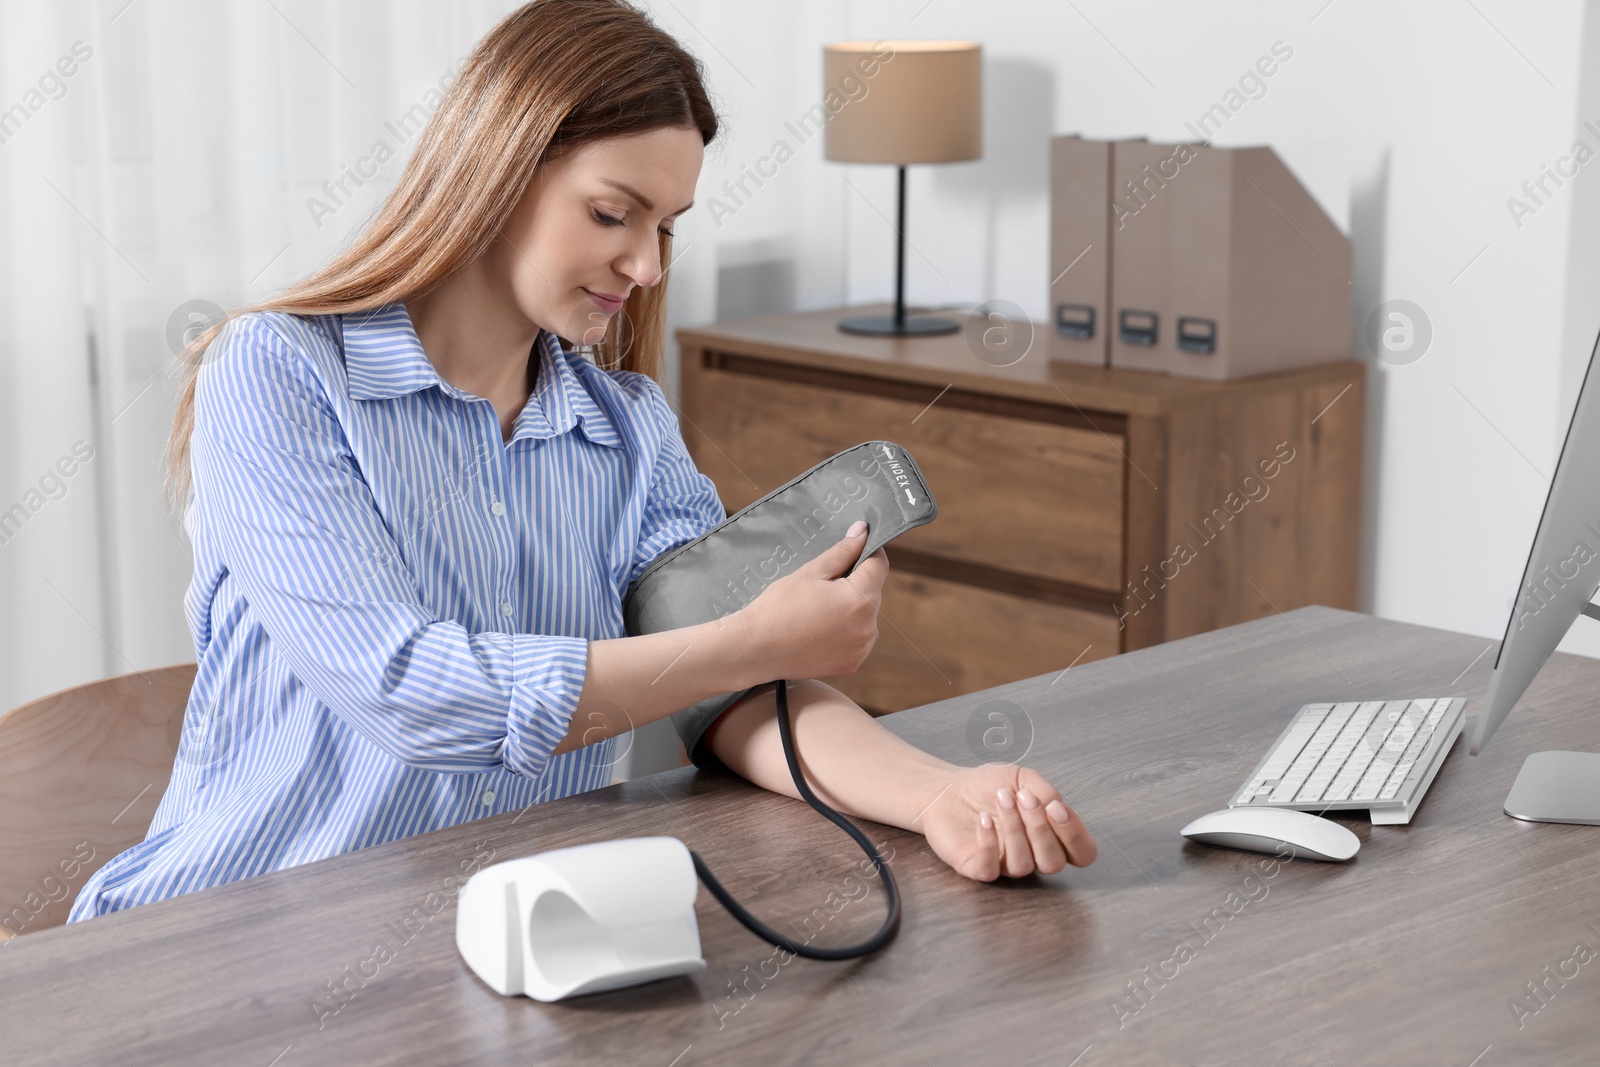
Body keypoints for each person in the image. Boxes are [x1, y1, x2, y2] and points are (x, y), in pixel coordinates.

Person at [69, 0, 1094, 924]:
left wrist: (936, 795)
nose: (646, 266)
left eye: (664, 227)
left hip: (498, 938)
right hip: (223, 944)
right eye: (613, 213)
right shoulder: (279, 373)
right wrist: (749, 641)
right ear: (496, 171)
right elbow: (410, 689)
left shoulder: (627, 427)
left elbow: (724, 694)